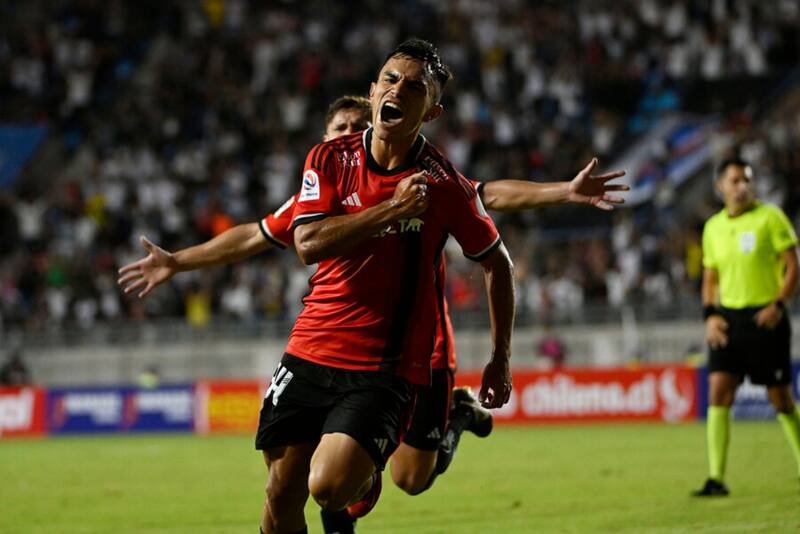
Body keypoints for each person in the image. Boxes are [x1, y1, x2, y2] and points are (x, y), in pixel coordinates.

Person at [119, 62, 626, 534]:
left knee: (407, 477)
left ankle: (452, 416)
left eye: (350, 129)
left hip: (413, 349)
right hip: (322, 347)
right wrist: (179, 261)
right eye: (336, 130)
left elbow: (485, 195)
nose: (344, 137)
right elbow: (254, 235)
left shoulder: (426, 181)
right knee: (294, 486)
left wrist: (561, 191)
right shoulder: (320, 187)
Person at [694, 157, 800, 497]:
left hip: (766, 317)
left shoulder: (771, 217)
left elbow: (793, 266)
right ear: (720, 186)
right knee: (718, 393)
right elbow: (710, 278)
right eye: (736, 180)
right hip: (729, 319)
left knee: (780, 399)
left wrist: (779, 305)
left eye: (747, 180)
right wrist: (710, 315)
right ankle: (715, 479)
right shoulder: (712, 227)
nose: (742, 187)